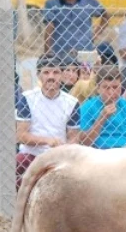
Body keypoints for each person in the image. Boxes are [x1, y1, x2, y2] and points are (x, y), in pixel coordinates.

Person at [15, 55, 79, 183]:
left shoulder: (72, 102)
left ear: (62, 75)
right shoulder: (28, 98)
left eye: (56, 72)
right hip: (31, 154)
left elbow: (74, 137)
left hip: (59, 156)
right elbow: (21, 136)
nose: (51, 76)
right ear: (39, 75)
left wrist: (65, 147)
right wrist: (47, 141)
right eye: (46, 72)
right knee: (17, 163)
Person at [43, 0, 108, 56]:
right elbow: (49, 27)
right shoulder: (52, 3)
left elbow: (105, 15)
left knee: (100, 64)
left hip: (85, 54)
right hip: (60, 54)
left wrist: (95, 35)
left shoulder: (88, 1)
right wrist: (48, 52)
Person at [73, 66, 126, 149]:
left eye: (115, 87)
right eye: (106, 87)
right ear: (98, 89)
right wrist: (102, 118)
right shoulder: (88, 107)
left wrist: (125, 150)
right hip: (96, 153)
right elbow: (83, 143)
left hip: (124, 153)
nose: (111, 92)